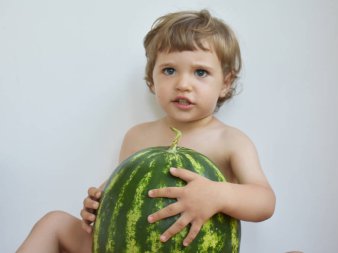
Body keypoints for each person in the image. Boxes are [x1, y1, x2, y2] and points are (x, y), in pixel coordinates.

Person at [17, 9, 276, 253]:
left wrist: (218, 194)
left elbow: (264, 201)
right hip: (126, 246)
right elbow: (122, 196)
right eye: (169, 70)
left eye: (200, 72)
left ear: (225, 84)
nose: (183, 84)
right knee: (54, 223)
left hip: (190, 246)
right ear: (152, 80)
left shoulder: (229, 141)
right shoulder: (137, 136)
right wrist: (97, 206)